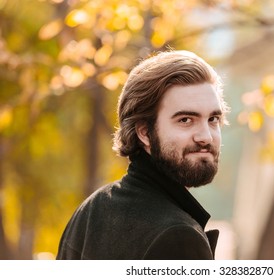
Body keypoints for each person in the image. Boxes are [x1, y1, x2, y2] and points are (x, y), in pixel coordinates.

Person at [56, 50, 229, 260]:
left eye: (213, 119)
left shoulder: (90, 211)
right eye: (185, 120)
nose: (206, 137)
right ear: (144, 132)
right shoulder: (179, 238)